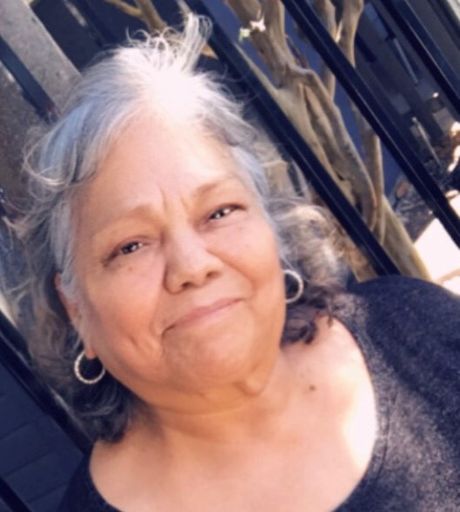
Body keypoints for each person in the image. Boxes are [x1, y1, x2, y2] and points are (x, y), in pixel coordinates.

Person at [12, 15, 460, 512]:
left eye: (220, 212)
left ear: (269, 226)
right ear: (75, 307)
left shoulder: (414, 325)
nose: (192, 266)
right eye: (131, 246)